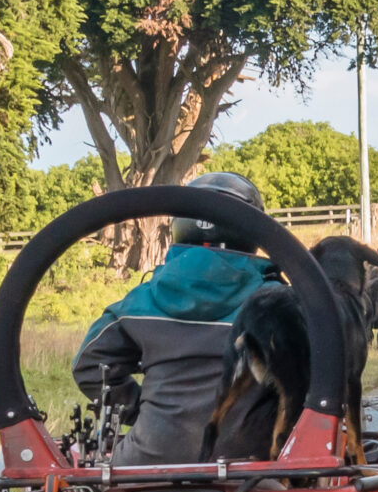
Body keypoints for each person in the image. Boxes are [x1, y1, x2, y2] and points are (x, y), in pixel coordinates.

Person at [73, 171, 278, 466]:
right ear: (254, 227)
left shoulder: (140, 301)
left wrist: (140, 410)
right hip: (249, 464)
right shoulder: (274, 300)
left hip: (144, 461)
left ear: (180, 225)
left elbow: (89, 364)